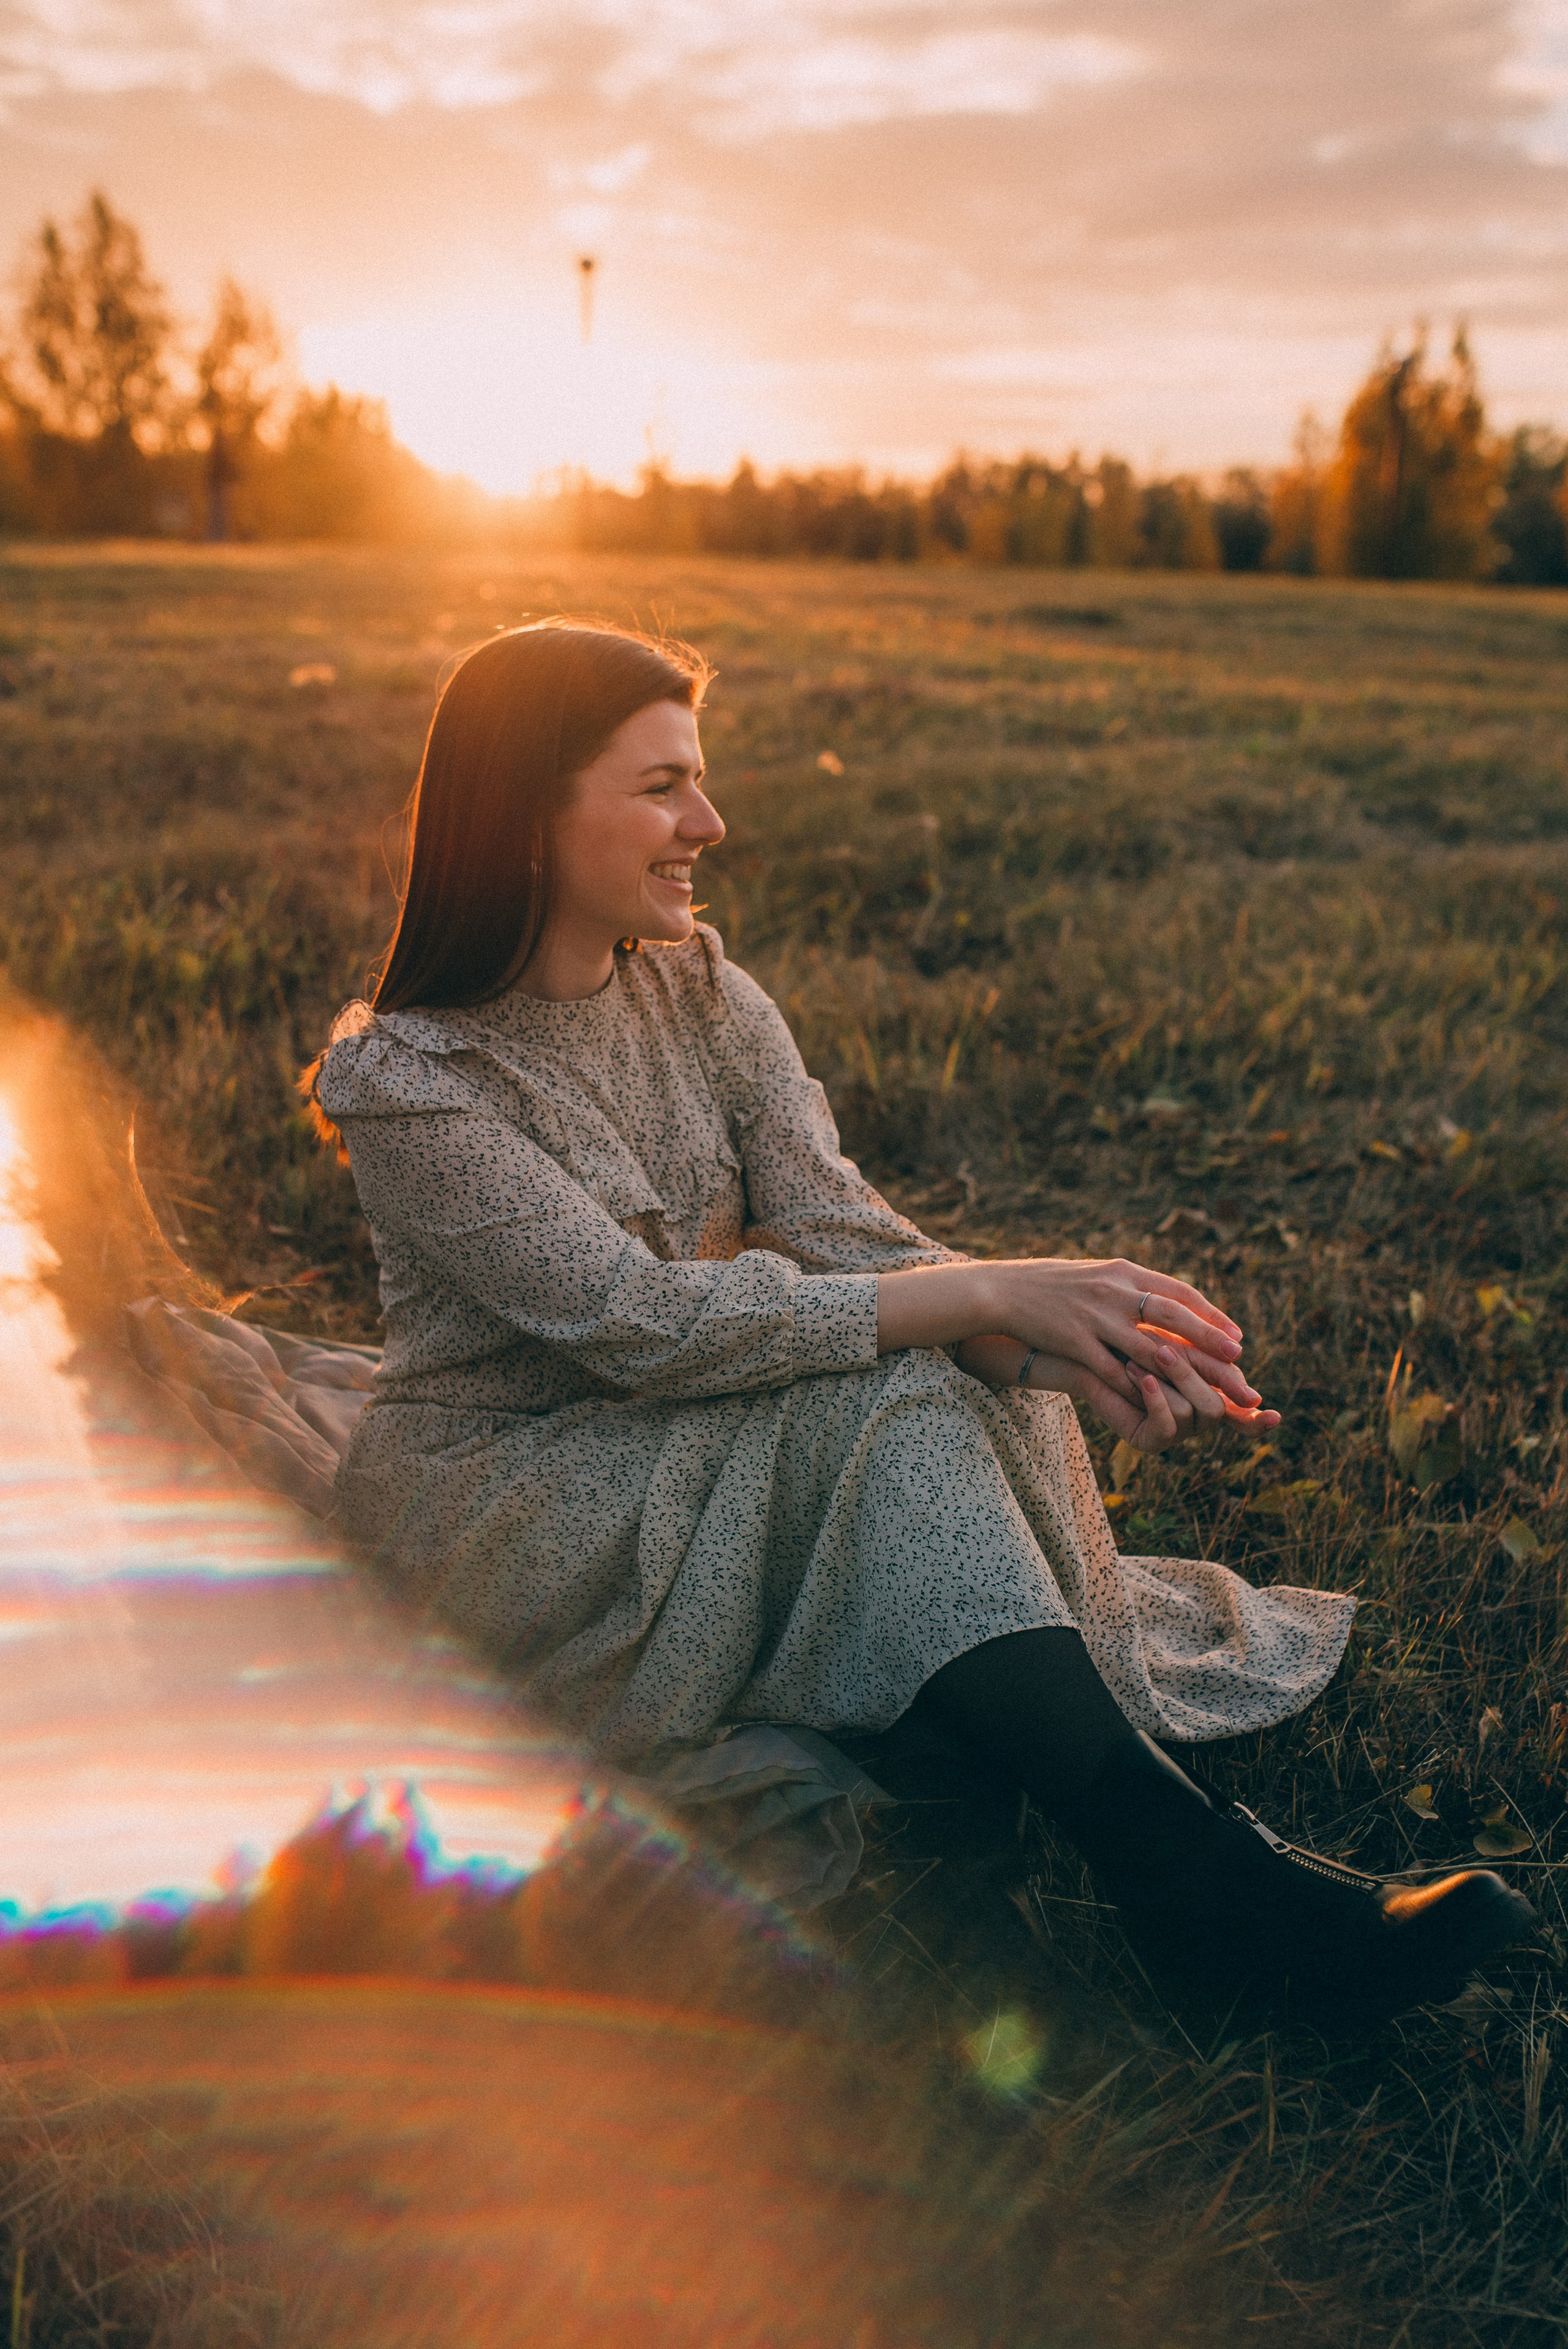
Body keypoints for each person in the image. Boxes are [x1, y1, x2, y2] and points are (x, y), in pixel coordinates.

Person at [307, 620, 1532, 2021]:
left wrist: (1045, 1342)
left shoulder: (707, 994)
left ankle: (1171, 1876)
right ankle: (1201, 1881)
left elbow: (850, 1241)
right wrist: (984, 1294)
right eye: (659, 787)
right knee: (882, 1386)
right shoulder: (411, 1078)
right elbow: (636, 1323)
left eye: (696, 780)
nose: (706, 821)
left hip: (693, 1444)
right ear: (523, 813)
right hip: (516, 1515)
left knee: (941, 1378)